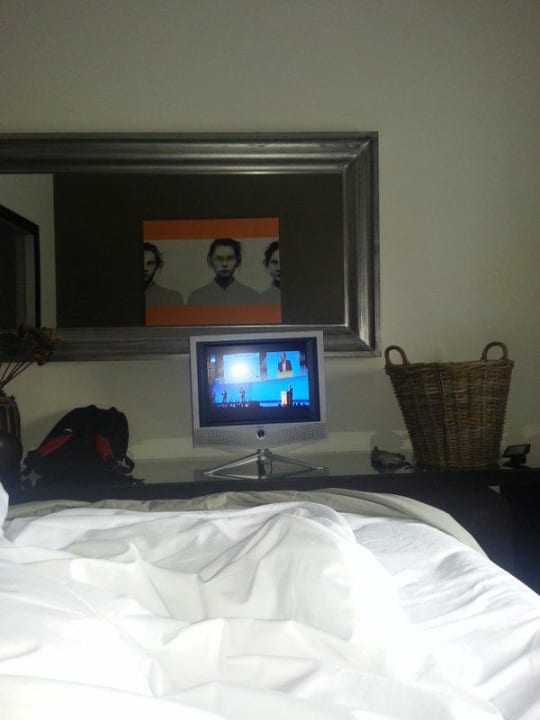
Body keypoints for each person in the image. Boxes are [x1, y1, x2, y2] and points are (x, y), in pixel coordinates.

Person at [187, 238, 260, 305]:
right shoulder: (196, 297)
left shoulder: (252, 297)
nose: (224, 264)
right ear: (210, 261)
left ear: (238, 261)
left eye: (230, 258)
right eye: (219, 258)